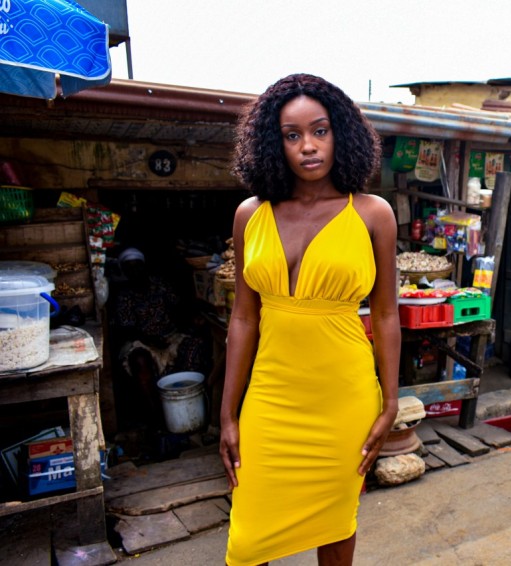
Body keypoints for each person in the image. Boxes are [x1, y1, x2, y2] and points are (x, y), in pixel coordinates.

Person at [219, 74, 400, 566]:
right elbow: (243, 319)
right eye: (292, 135)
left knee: (337, 528)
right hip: (272, 397)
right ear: (273, 144)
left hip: (344, 398)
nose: (309, 146)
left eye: (320, 130)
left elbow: (385, 314)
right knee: (246, 544)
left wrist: (390, 403)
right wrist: (228, 412)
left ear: (341, 132)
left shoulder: (372, 214)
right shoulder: (249, 215)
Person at [109, 247, 209, 427]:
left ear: (144, 266)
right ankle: (157, 420)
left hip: (170, 336)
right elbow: (126, 329)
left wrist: (193, 320)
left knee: (195, 345)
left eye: (137, 266)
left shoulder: (160, 286)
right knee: (140, 361)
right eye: (129, 268)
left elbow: (178, 308)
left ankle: (184, 403)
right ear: (124, 271)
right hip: (141, 342)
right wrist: (150, 340)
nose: (135, 271)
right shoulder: (124, 296)